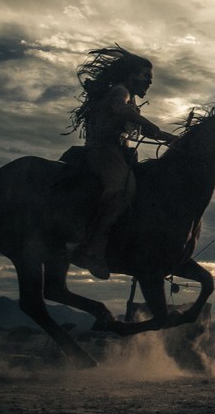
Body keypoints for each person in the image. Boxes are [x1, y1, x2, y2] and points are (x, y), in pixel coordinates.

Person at [66, 45, 177, 279]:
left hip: (120, 152)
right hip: (104, 150)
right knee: (121, 188)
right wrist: (146, 123)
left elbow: (144, 128)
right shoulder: (121, 91)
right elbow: (119, 109)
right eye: (146, 76)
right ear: (131, 75)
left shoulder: (130, 99)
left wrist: (170, 138)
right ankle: (89, 246)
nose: (149, 82)